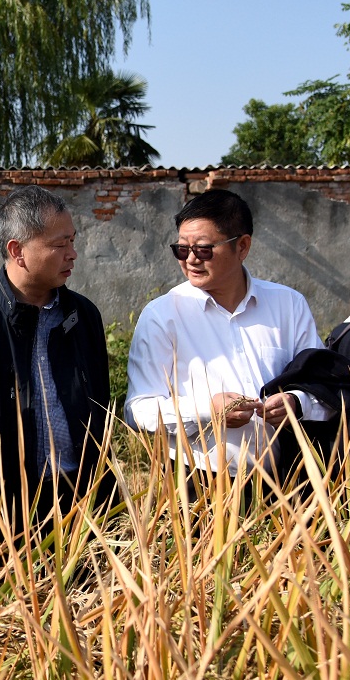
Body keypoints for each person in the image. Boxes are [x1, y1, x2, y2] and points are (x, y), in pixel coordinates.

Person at [0, 186, 114, 555]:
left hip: (81, 507)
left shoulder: (83, 317)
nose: (73, 254)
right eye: (60, 245)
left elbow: (101, 417)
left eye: (73, 241)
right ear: (17, 251)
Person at [125, 189, 333, 477]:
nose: (191, 260)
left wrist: (298, 403)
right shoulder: (162, 315)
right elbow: (139, 410)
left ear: (243, 246)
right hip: (197, 485)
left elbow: (326, 389)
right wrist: (208, 411)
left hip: (287, 483)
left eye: (203, 249)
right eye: (182, 249)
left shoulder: (288, 305)